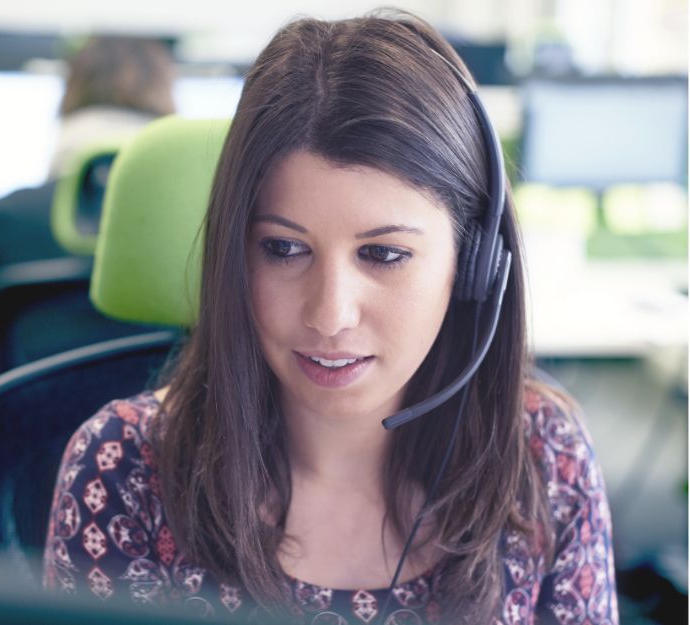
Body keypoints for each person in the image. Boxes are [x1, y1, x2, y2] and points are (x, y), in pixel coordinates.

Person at [43, 11, 617, 625]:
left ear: (474, 265)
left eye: (385, 254)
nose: (330, 315)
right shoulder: (124, 464)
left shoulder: (541, 453)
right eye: (285, 249)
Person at [0, 36, 175, 374]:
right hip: (159, 419)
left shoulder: (8, 216)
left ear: (71, 90)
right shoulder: (197, 216)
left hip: (31, 418)